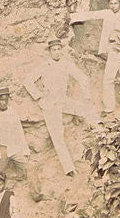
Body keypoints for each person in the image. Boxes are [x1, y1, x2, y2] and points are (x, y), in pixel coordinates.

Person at [23, 38, 98, 176]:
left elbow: (82, 78)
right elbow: (28, 81)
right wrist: (38, 95)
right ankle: (69, 168)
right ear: (50, 52)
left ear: (61, 50)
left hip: (63, 100)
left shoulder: (66, 64)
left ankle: (102, 135)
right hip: (50, 104)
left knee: (88, 109)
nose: (56, 52)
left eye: (58, 49)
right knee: (57, 136)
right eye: (54, 50)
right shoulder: (44, 66)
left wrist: (86, 96)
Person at [70, 0, 120, 113]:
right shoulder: (107, 13)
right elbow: (93, 15)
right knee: (108, 79)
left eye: (116, 3)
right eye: (111, 3)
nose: (113, 6)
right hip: (112, 51)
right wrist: (73, 17)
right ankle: (109, 107)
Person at [0, 87, 41, 200]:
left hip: (14, 149)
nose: (3, 102)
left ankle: (36, 195)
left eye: (6, 99)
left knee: (29, 167)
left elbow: (19, 132)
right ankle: (0, 200)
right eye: (1, 100)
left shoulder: (12, 114)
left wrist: (25, 150)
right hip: (0, 151)